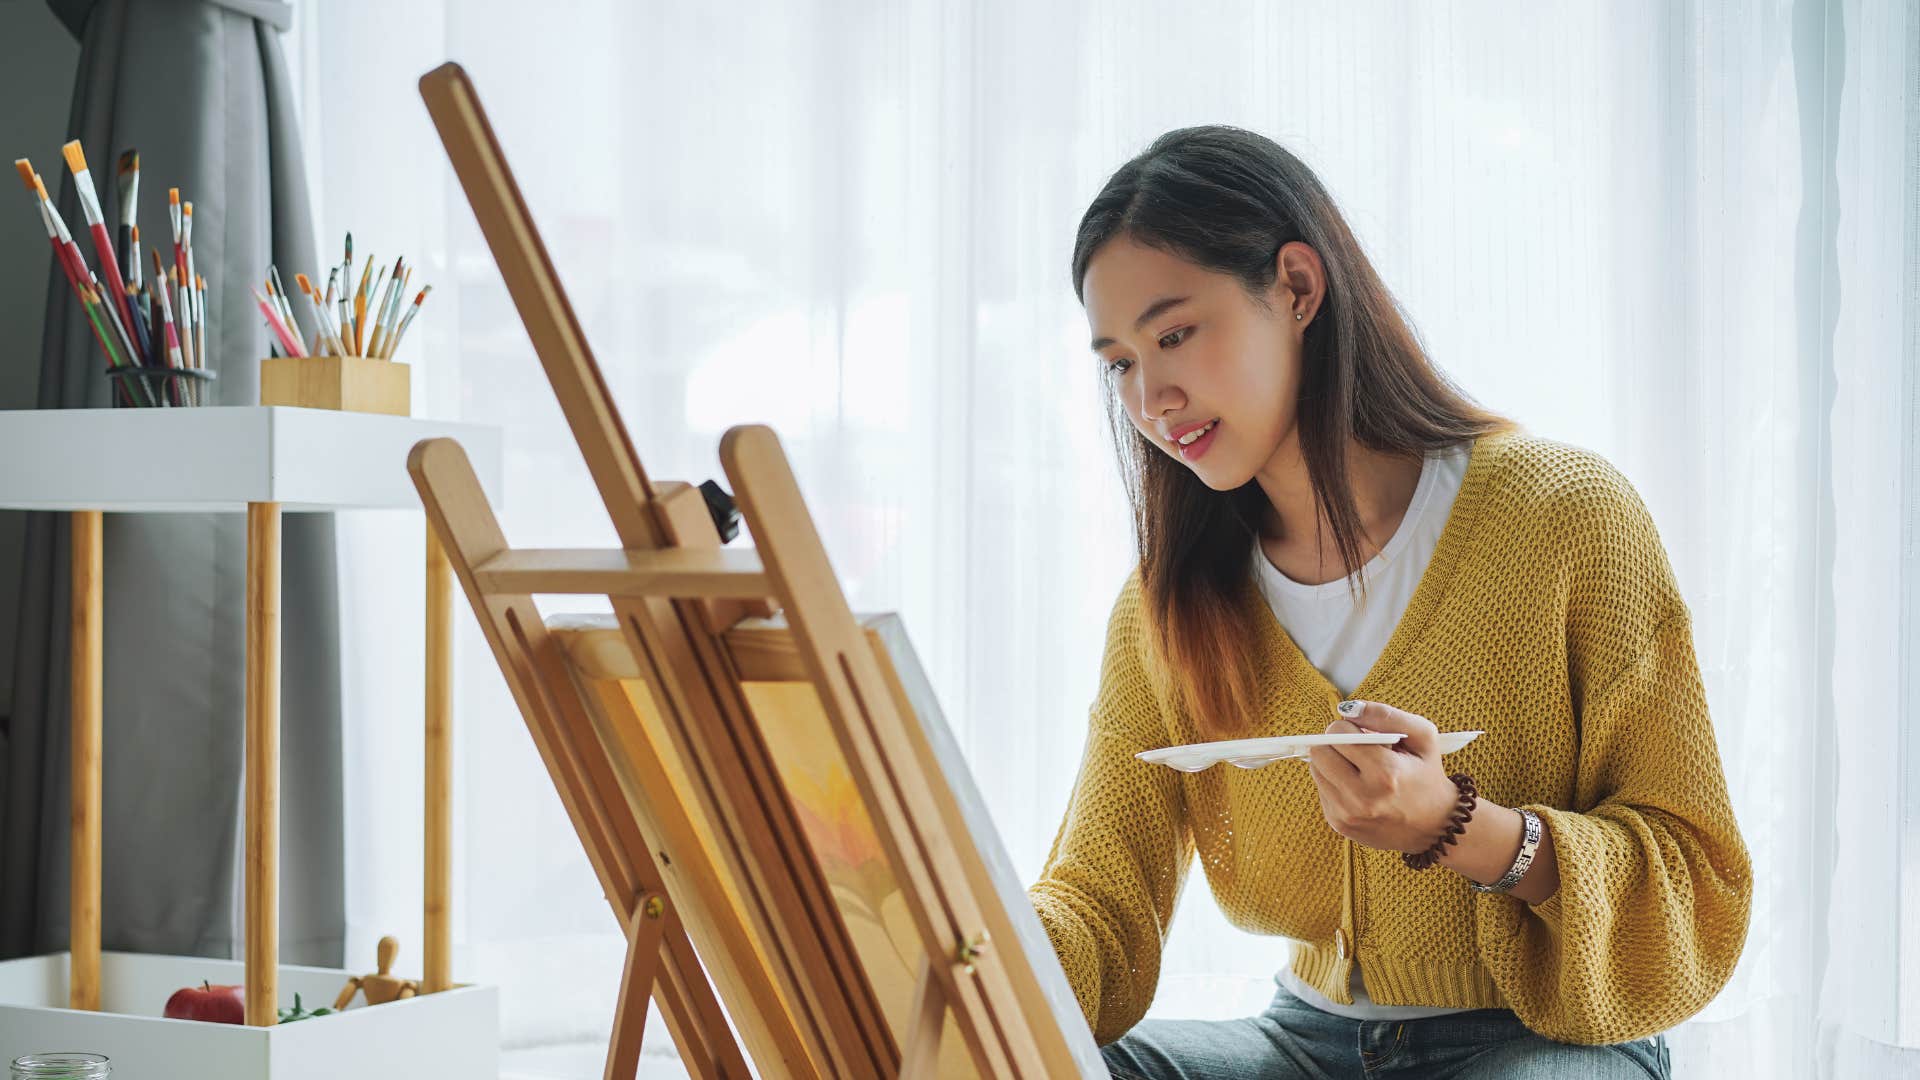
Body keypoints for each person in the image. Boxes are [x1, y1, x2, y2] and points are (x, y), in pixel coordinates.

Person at [1027, 125, 1752, 1079]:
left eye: (1174, 335)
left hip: (1544, 1046)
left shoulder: (1565, 520)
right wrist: (949, 932)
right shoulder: (1168, 607)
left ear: (1296, 286)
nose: (1151, 396)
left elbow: (1696, 882)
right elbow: (1099, 903)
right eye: (1118, 361)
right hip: (1301, 1042)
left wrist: (1461, 827)